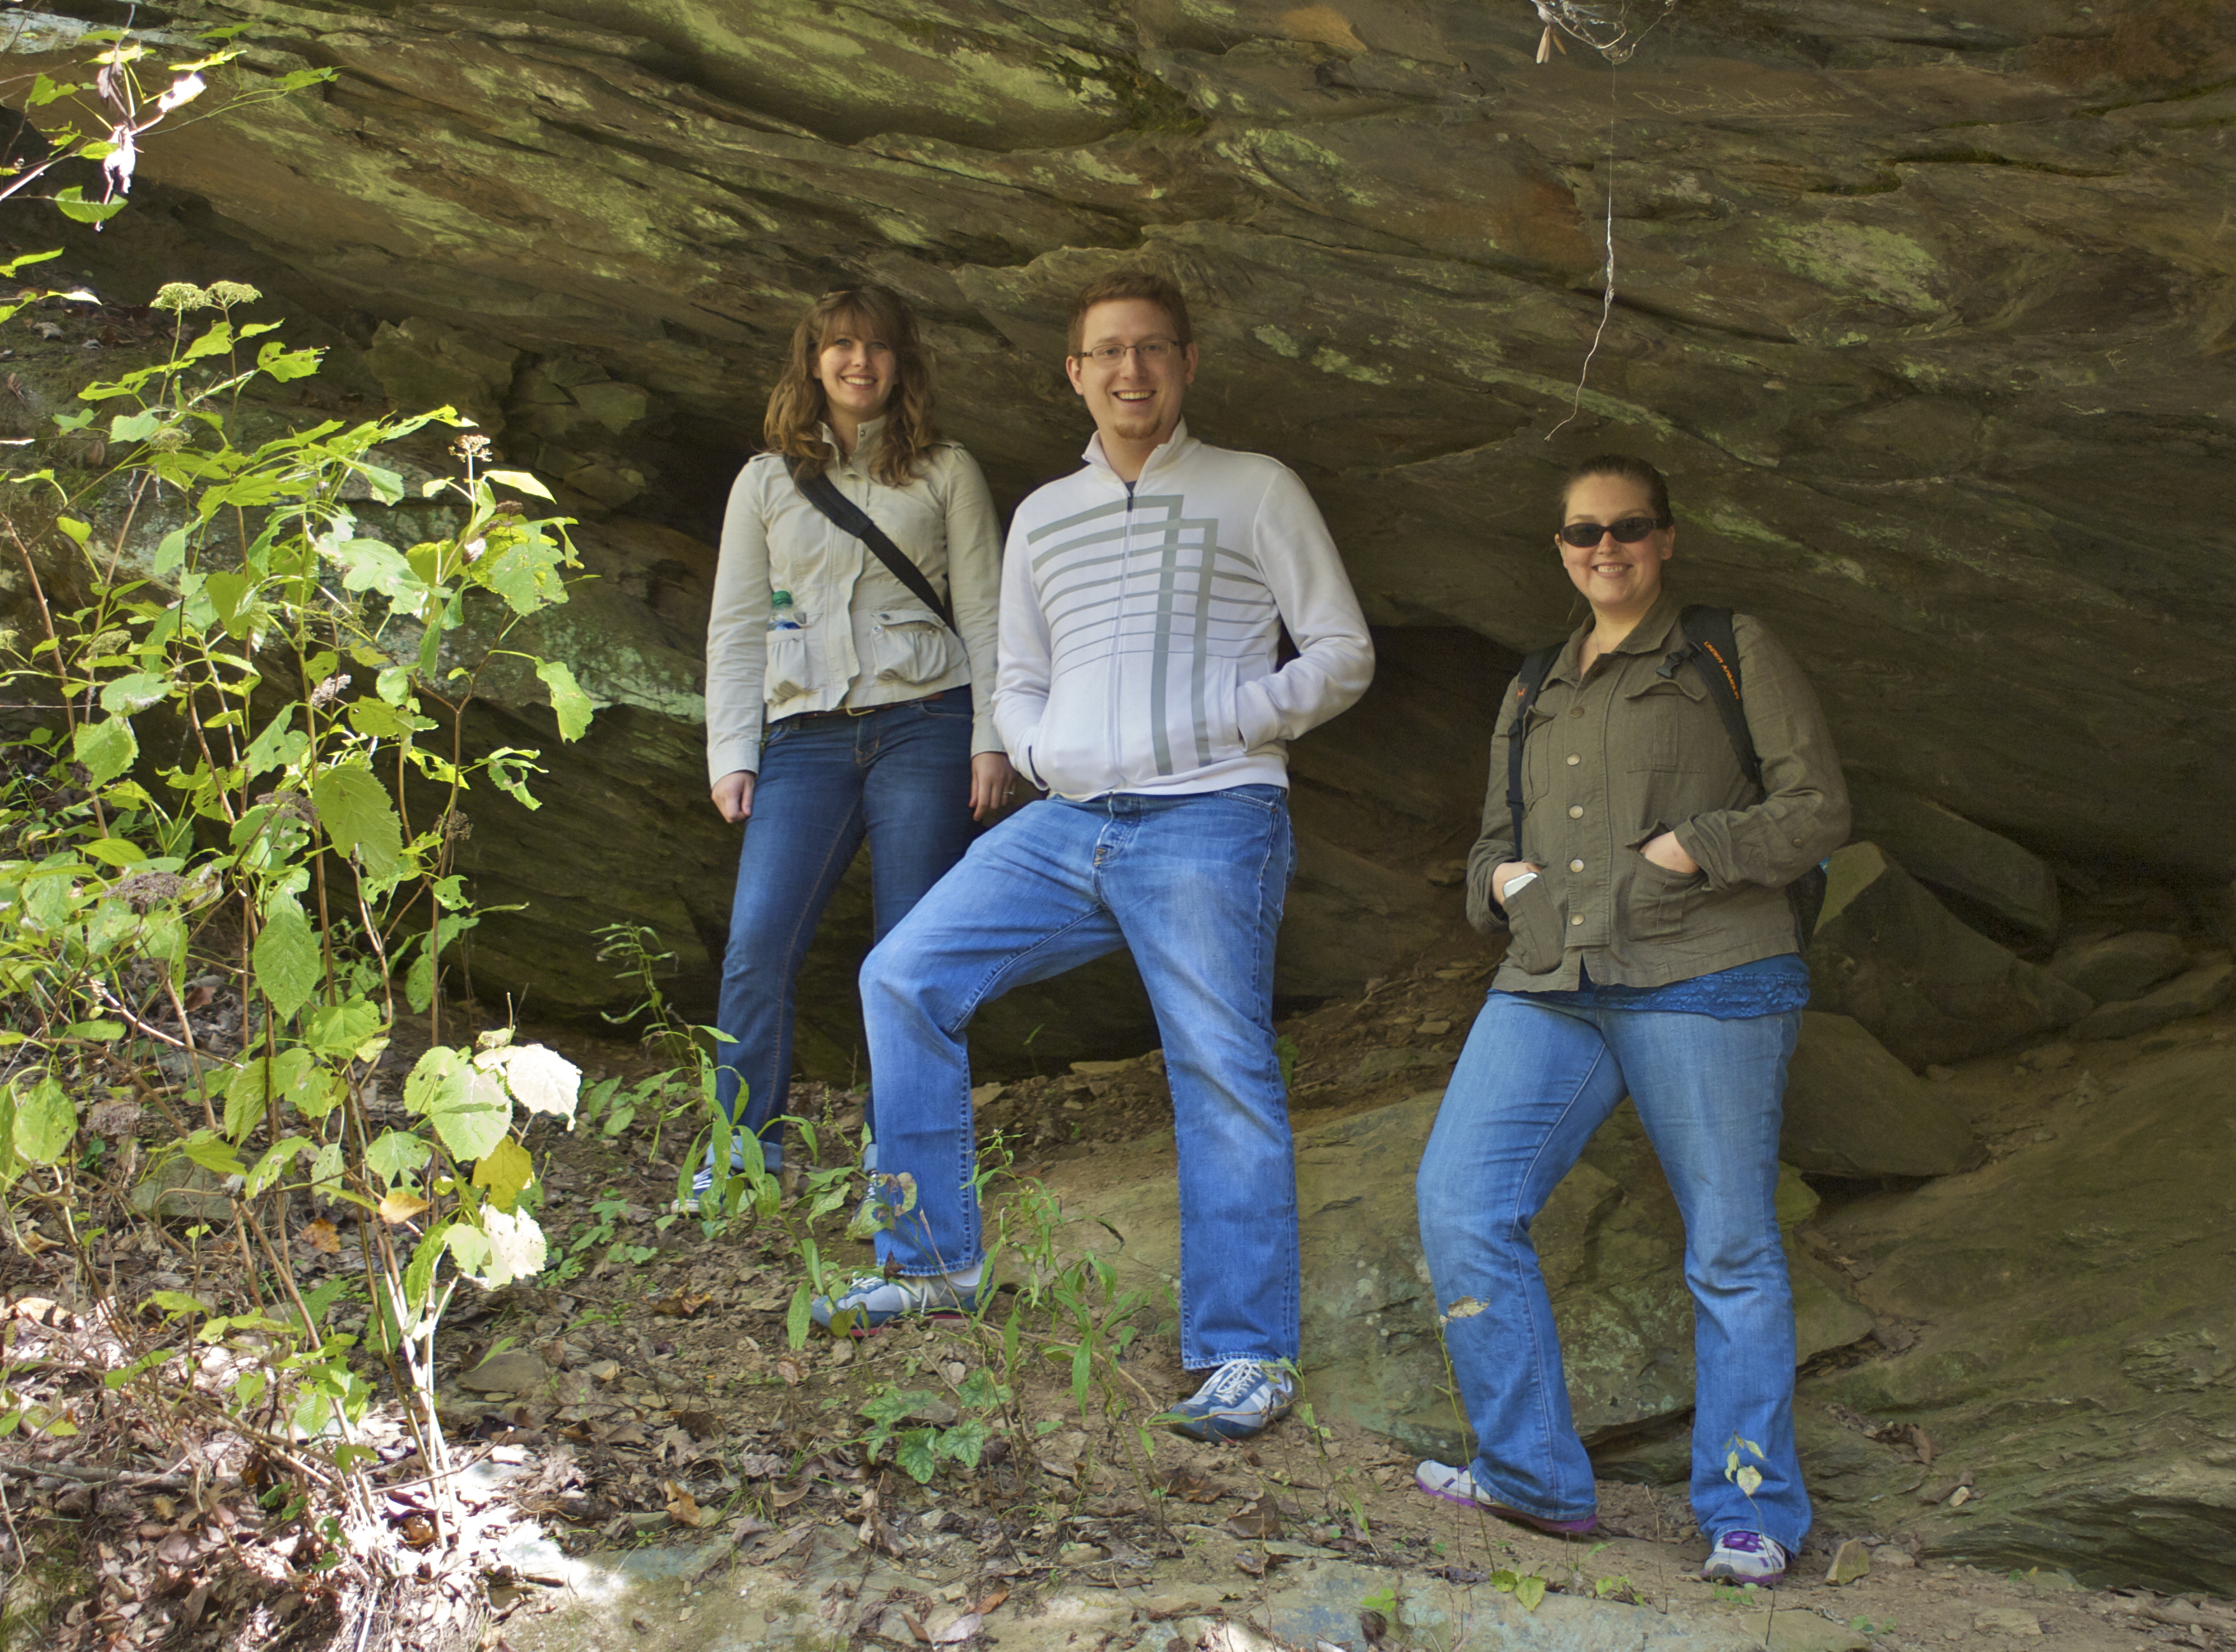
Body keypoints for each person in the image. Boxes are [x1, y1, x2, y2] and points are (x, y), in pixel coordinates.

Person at [835, 268, 1376, 1442]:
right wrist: (1038, 749)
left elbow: (1343, 651)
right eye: (1108, 353)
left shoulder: (1256, 488)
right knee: (902, 976)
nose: (1132, 371)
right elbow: (1017, 672)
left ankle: (1246, 1356)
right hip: (1070, 821)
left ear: (1186, 363)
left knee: (1219, 1064)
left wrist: (1231, 720)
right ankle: (931, 1263)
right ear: (1075, 374)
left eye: (1153, 348)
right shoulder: (1043, 514)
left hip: (1212, 814)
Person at [1412, 454, 1848, 1583]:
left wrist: (1690, 848)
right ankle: (1529, 1476)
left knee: (1731, 1248)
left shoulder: (1726, 648)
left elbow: (1816, 809)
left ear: (1666, 538)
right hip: (1553, 977)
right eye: (1582, 532)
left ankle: (1750, 1511)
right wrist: (1502, 884)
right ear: (1559, 549)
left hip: (1705, 970)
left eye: (1628, 527)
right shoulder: (1534, 683)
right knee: (1461, 1202)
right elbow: (1489, 839)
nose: (1604, 548)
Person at [696, 285, 1013, 1203]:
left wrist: (992, 738)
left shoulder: (947, 470)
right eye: (840, 345)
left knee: (909, 953)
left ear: (901, 364)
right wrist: (733, 752)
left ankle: (899, 1161)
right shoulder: (765, 481)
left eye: (877, 346)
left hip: (927, 723)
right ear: (813, 361)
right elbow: (737, 627)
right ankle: (741, 1156)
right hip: (803, 737)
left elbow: (988, 616)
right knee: (757, 945)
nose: (858, 362)